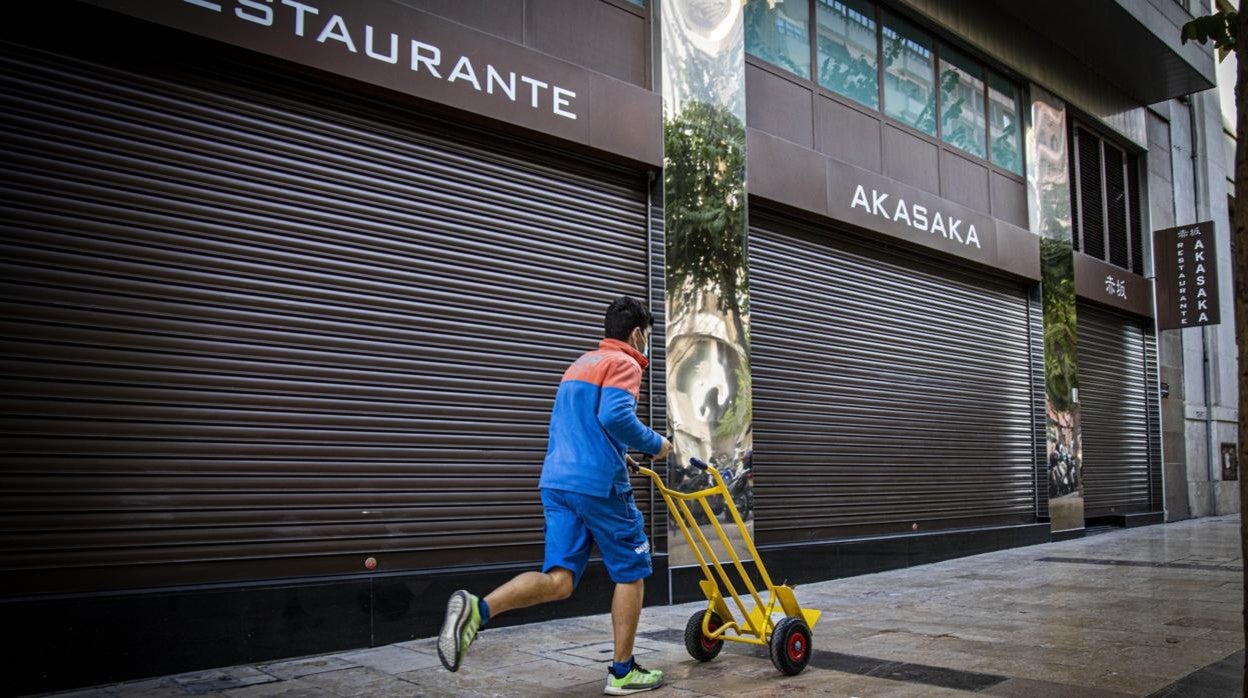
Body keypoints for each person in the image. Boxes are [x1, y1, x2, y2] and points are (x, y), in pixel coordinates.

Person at [437, 296, 673, 696]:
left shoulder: (578, 365)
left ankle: (478, 610)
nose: (645, 345)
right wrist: (656, 444)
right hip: (599, 486)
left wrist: (621, 454)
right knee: (632, 572)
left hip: (557, 482)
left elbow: (583, 425)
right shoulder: (625, 362)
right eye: (647, 337)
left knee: (559, 579)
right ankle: (622, 672)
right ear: (637, 334)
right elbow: (615, 416)